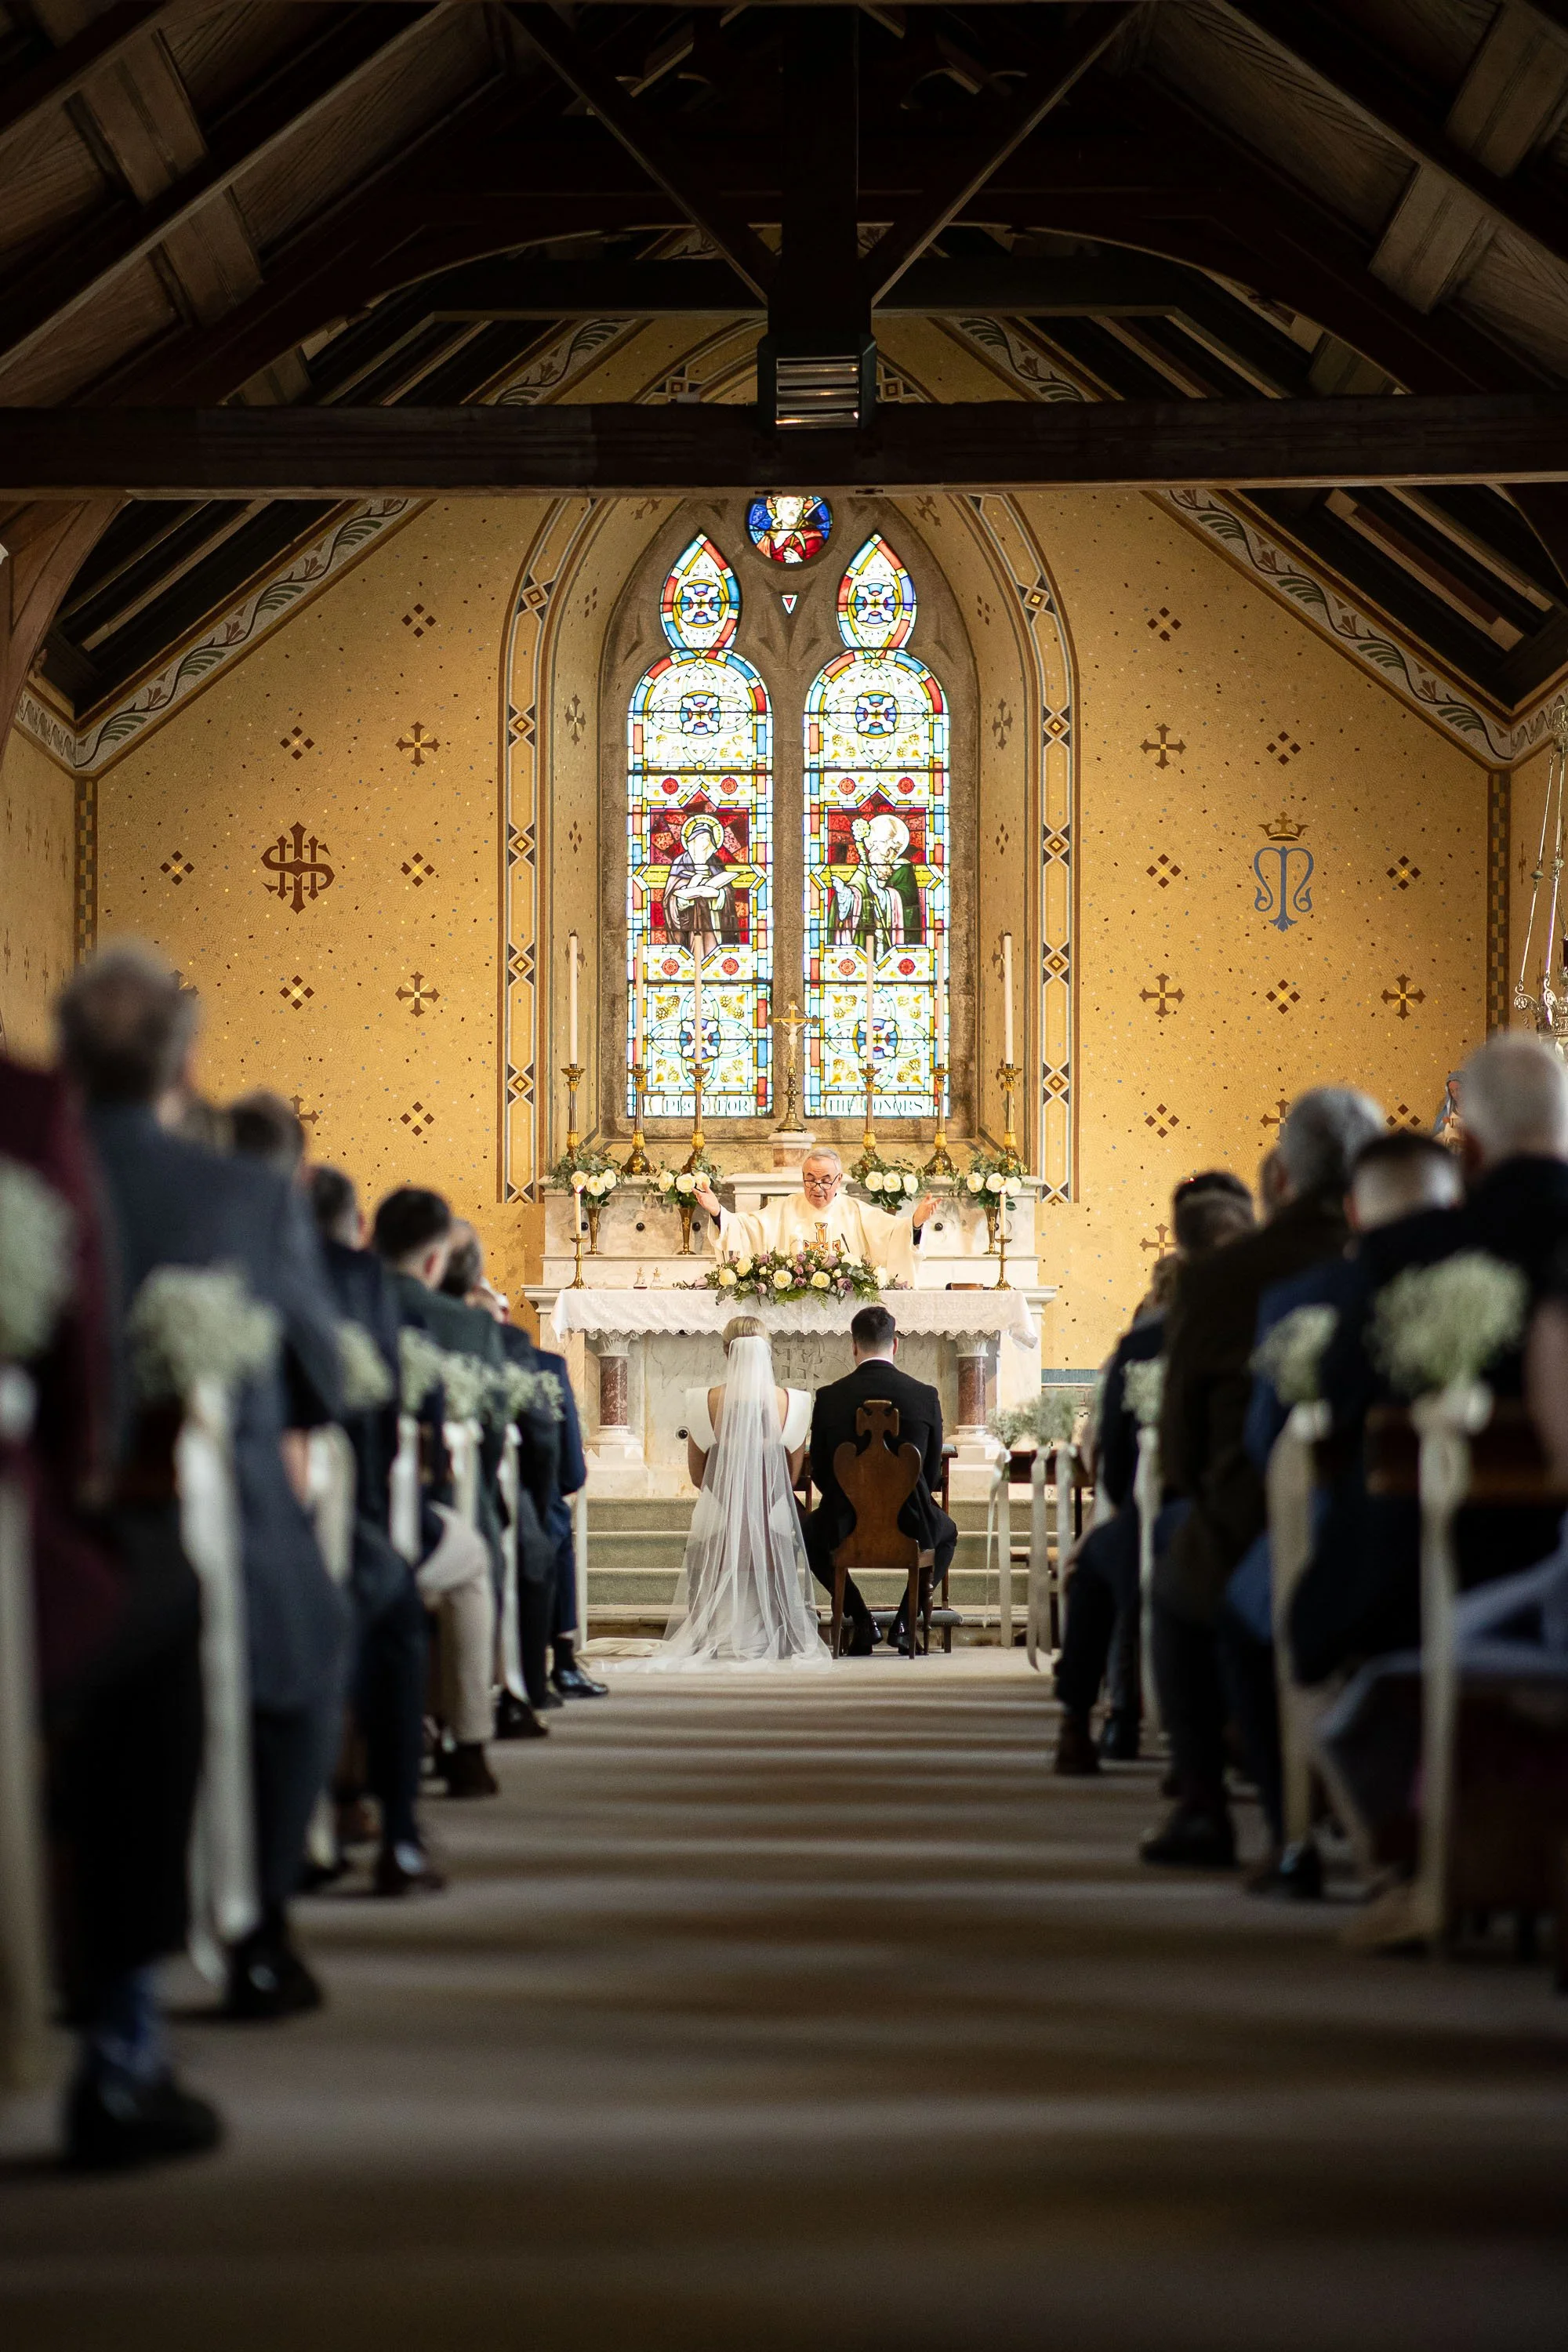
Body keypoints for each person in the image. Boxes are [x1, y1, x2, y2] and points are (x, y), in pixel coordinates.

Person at [57, 942, 350, 2020]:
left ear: (70, 1062)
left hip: (52, 1524)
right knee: (309, 1646)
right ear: (183, 1069)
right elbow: (324, 1371)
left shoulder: (36, 1173)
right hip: (210, 1517)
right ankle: (259, 1921)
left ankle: (104, 1974)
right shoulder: (243, 1193)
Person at [1142, 1086, 1384, 1869]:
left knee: (1176, 1578)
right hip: (1406, 1517)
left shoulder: (1218, 1277)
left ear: (1280, 1177)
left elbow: (1177, 1449)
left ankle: (1205, 1804)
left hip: (1253, 1522)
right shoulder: (1397, 1256)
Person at [1054, 1175, 1256, 1775]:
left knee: (1099, 1566)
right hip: (1269, 1512)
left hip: (1179, 1515)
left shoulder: (1146, 1342)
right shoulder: (1275, 1315)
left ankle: (1086, 1722)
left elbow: (1113, 1461)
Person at [308, 1166, 443, 1896]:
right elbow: (390, 1415)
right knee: (395, 1619)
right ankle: (395, 1829)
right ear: (354, 1228)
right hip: (334, 1508)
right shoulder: (364, 1284)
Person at [372, 1187, 514, 1787]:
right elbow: (497, 1423)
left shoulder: (350, 1301)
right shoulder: (465, 1324)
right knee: (475, 1554)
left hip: (351, 1502)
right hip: (434, 1500)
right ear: (434, 1263)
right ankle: (469, 1735)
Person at [637, 1314, 826, 1668]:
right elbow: (791, 1476)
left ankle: (704, 1631)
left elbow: (698, 1476)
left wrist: (733, 1496)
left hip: (719, 1515)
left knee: (708, 1515)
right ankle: (782, 1630)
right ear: (767, 1352)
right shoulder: (798, 1402)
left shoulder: (699, 1400)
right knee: (786, 1515)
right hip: (772, 1516)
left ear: (727, 1352)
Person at [802, 1303, 956, 1657]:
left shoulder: (829, 1397)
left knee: (809, 1538)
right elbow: (930, 1473)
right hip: (911, 1520)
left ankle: (861, 1618)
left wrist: (850, 1501)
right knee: (945, 1534)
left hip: (844, 1520)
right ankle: (904, 1624)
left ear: (853, 1346)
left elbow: (821, 1470)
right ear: (896, 1344)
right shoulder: (925, 1396)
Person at [694, 1145, 934, 1286]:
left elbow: (893, 1234)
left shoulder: (856, 1211)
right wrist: (716, 1210)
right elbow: (746, 1228)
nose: (817, 1187)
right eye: (810, 1179)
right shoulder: (785, 1208)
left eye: (826, 1180)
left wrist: (916, 1222)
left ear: (839, 1180)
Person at [662, 813, 739, 964]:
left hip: (713, 917)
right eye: (701, 839)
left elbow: (728, 891)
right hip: (689, 920)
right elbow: (670, 894)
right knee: (692, 949)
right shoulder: (680, 861)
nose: (704, 844)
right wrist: (688, 891)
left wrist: (718, 894)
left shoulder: (715, 862)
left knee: (713, 946)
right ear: (692, 840)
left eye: (708, 839)